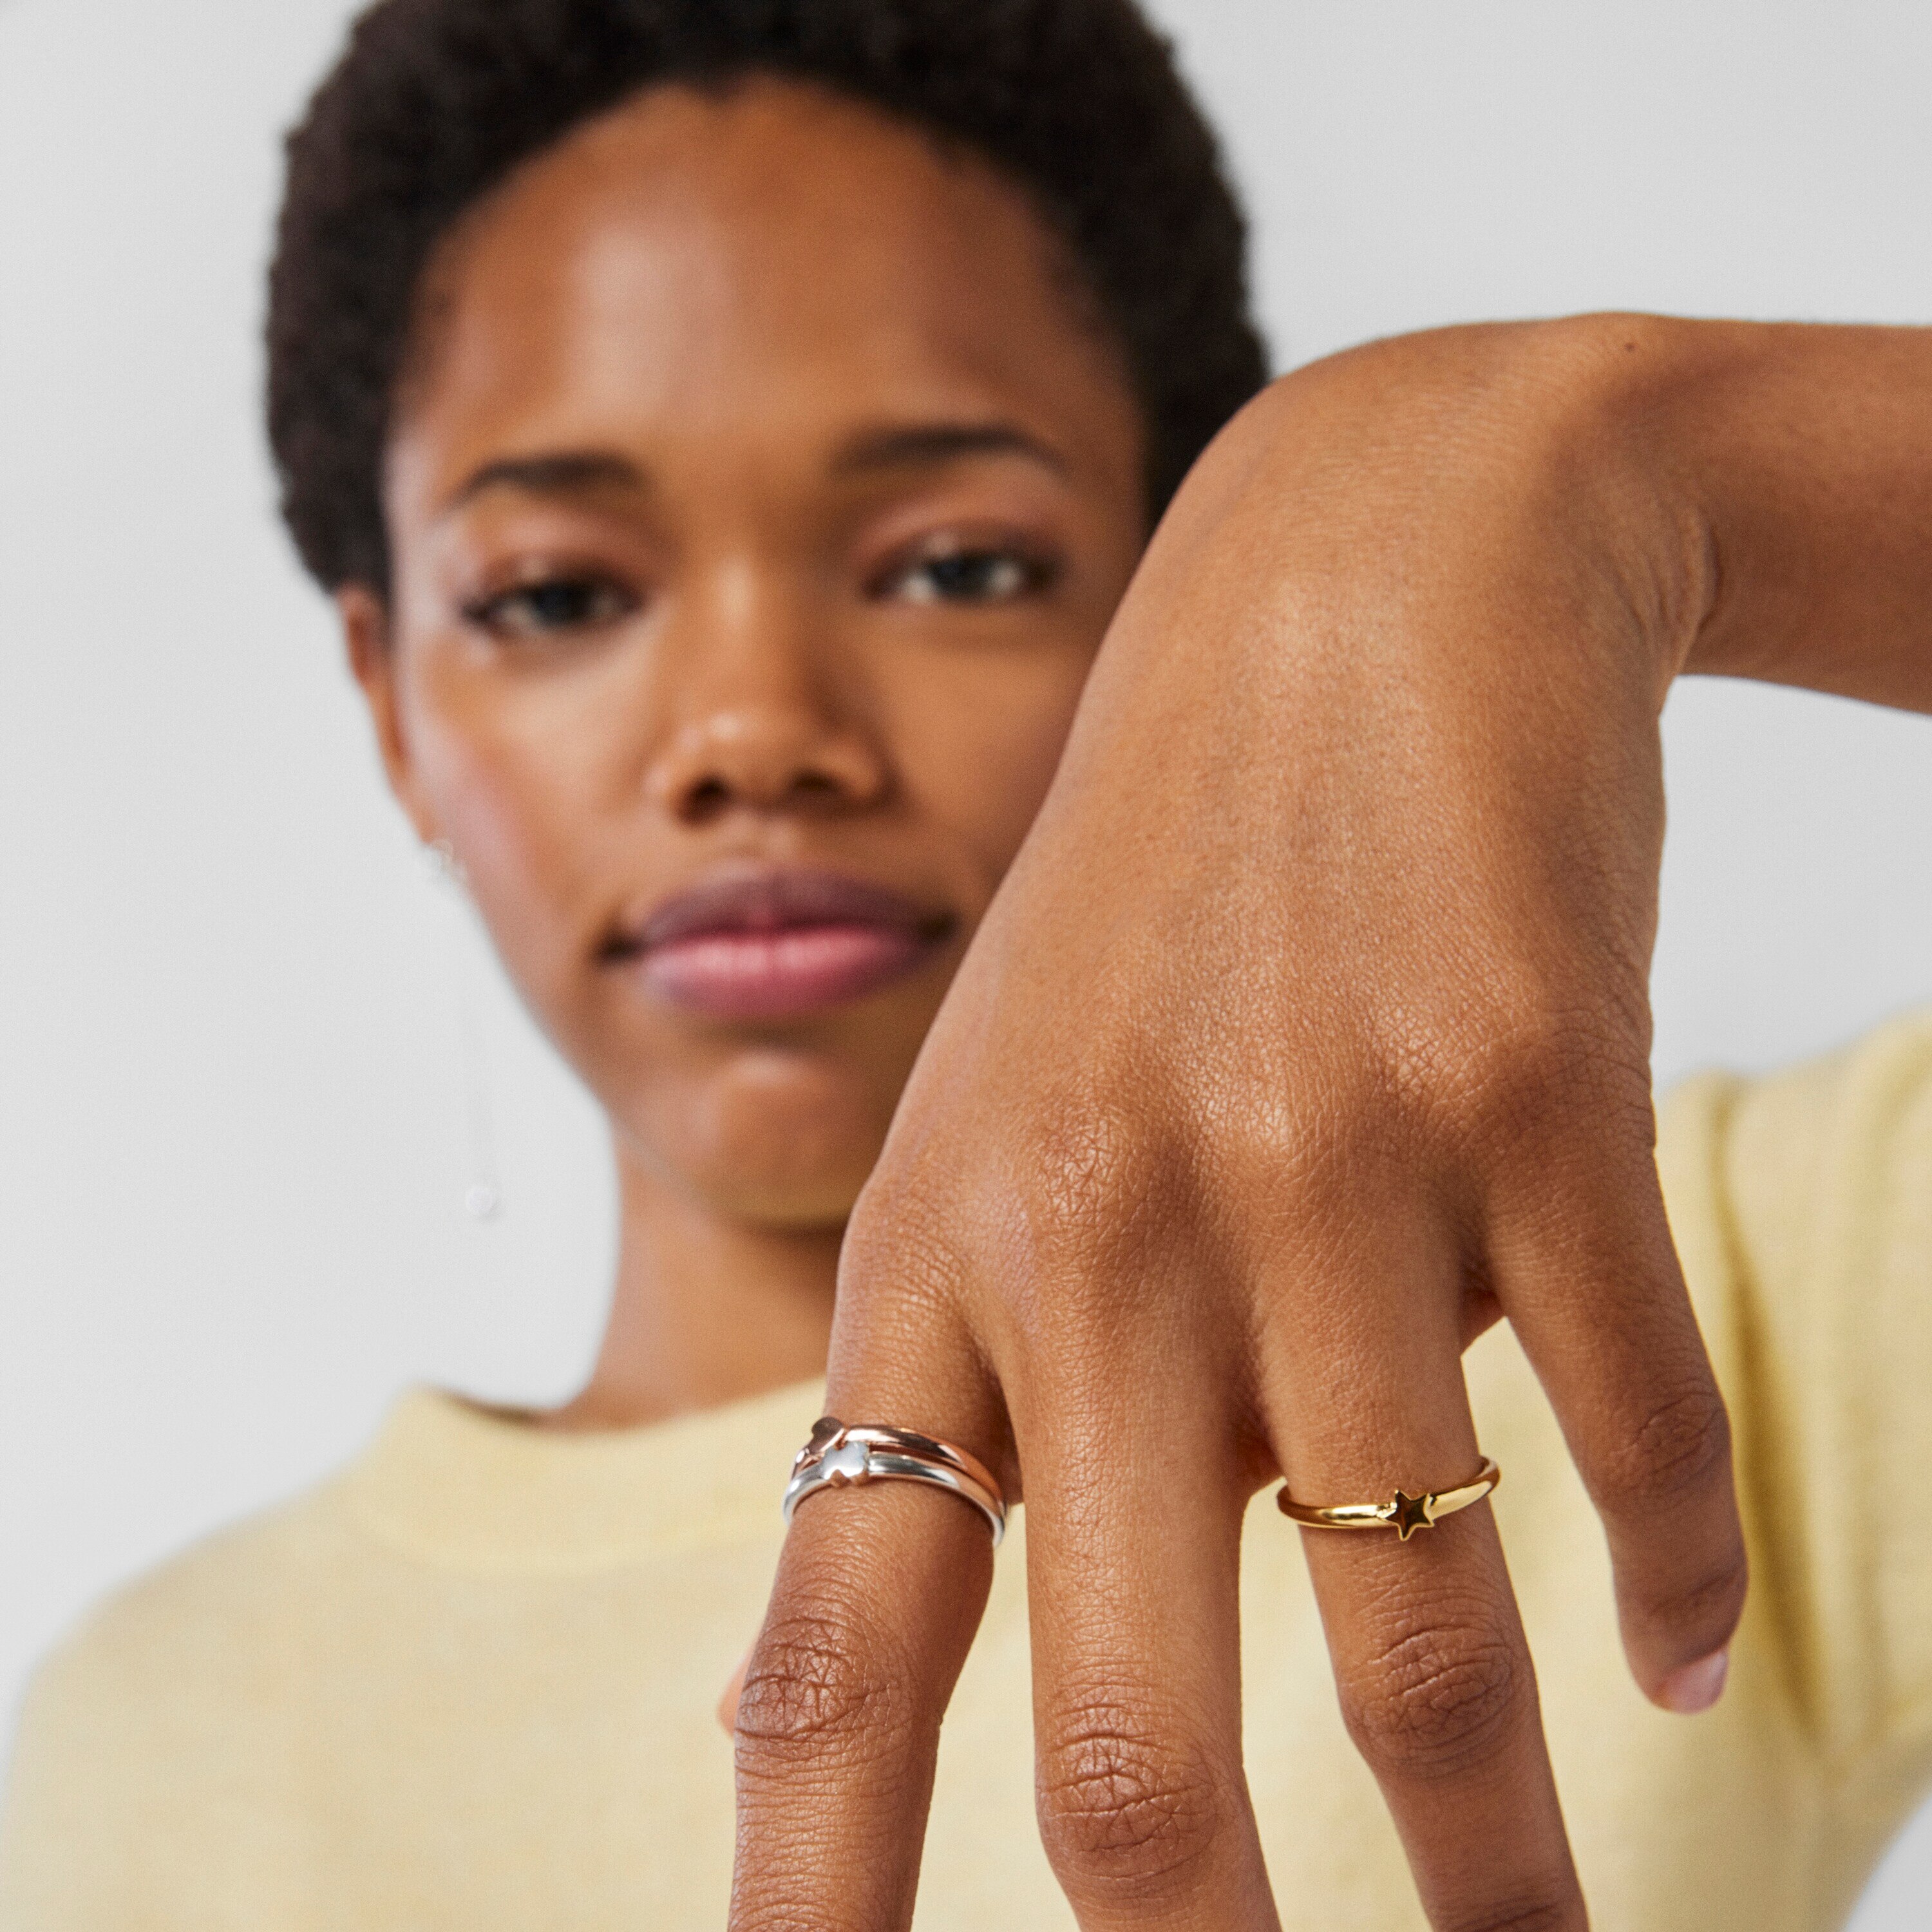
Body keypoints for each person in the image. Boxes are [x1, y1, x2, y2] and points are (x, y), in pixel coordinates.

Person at [1, 1, 1929, 1929]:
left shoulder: (1694, 1293)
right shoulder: (146, 1749)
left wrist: (1630, 466)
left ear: (1178, 592)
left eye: (955, 566)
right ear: (393, 710)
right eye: (561, 593)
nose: (757, 729)